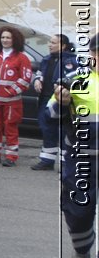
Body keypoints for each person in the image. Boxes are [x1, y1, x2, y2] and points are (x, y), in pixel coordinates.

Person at [53, 43, 99, 258]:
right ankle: (82, 246)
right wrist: (61, 102)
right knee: (77, 210)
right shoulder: (74, 79)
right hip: (81, 158)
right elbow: (49, 115)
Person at [0, 26, 34, 166]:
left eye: (8, 38)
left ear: (15, 40)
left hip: (12, 101)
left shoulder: (21, 57)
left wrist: (11, 91)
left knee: (10, 128)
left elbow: (26, 78)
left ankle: (11, 157)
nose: (5, 40)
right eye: (3, 37)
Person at [33, 34, 78, 170]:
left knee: (64, 132)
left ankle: (66, 164)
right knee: (47, 130)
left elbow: (73, 79)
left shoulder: (71, 61)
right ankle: (47, 160)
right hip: (46, 99)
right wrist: (37, 80)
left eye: (53, 42)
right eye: (50, 42)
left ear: (63, 45)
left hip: (62, 101)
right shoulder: (46, 59)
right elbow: (40, 72)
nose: (49, 45)